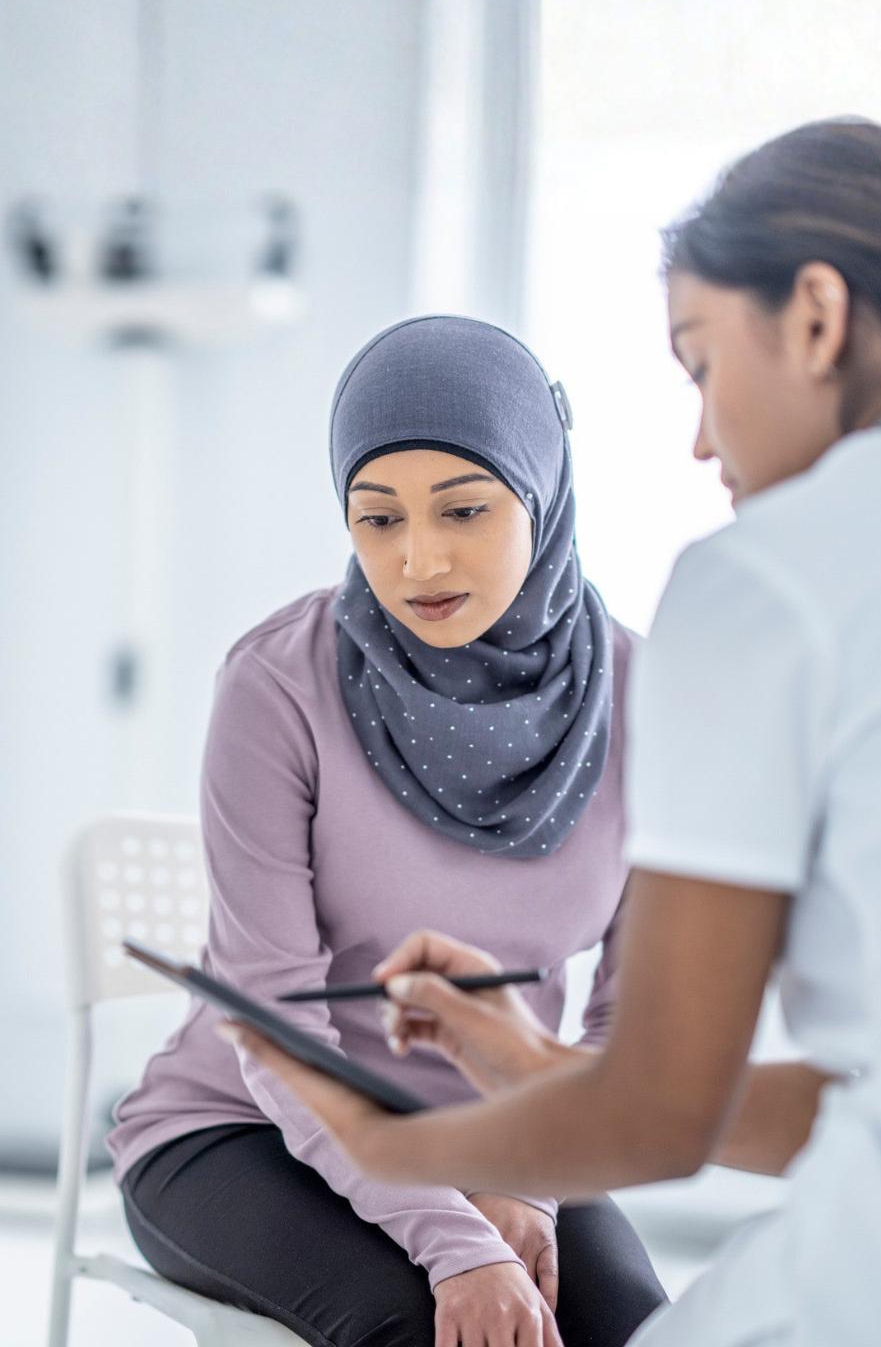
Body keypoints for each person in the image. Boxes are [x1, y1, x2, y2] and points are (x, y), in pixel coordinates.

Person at [223, 120, 881, 1347]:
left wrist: (404, 1148)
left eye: (698, 363)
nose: (698, 436)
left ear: (819, 317)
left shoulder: (762, 581)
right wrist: (532, 1064)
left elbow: (659, 1116)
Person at [106, 315, 667, 1347]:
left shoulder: (644, 696)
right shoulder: (277, 683)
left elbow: (629, 1028)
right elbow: (276, 1029)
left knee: (636, 1328)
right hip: (245, 1129)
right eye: (378, 519)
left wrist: (528, 1190)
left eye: (464, 509)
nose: (419, 561)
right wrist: (459, 1244)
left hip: (505, 1130)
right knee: (417, 1325)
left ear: (540, 491)